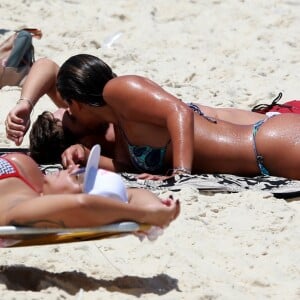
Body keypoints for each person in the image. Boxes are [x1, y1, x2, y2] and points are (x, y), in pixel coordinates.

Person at [6, 55, 300, 180]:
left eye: (66, 106)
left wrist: (25, 104)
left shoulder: (116, 95)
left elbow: (178, 111)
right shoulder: (113, 126)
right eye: (66, 114)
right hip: (266, 150)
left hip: (267, 140)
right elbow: (123, 166)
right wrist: (85, 155)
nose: (66, 109)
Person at [0, 151, 179, 229]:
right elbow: (131, 193)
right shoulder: (26, 169)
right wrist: (156, 208)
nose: (71, 169)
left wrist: (145, 216)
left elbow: (83, 205)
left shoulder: (19, 210)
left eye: (77, 178)